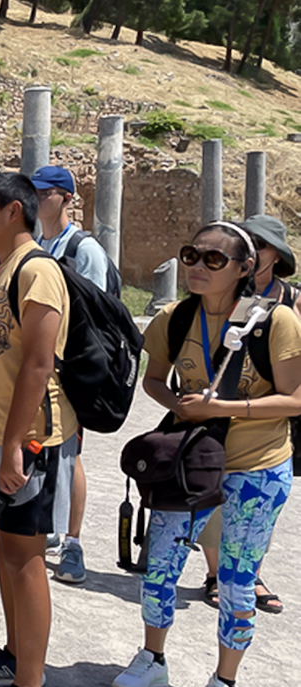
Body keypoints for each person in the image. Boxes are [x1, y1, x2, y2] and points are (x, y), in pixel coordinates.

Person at [112, 221, 300, 687]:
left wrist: (221, 407)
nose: (197, 266)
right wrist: (178, 404)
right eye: (191, 255)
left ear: (244, 268)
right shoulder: (173, 317)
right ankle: (152, 660)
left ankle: (224, 679)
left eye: (214, 259)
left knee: (237, 581)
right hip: (191, 462)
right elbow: (153, 379)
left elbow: (296, 398)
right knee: (160, 566)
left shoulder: (275, 320)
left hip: (258, 466)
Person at [0, 172, 77, 687]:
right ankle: (13, 653)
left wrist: (10, 447)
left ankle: (31, 677)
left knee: (26, 557)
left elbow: (37, 365)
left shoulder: (38, 270)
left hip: (30, 440)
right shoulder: (1, 270)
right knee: (4, 550)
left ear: (13, 212)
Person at [196, 214, 299, 612]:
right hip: (216, 420)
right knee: (213, 498)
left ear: (277, 256)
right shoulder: (218, 296)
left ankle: (249, 573)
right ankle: (213, 573)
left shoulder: (291, 301)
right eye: (249, 242)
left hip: (267, 424)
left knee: (258, 510)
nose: (255, 251)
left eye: (263, 244)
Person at [32, 165, 105, 585]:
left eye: (47, 192)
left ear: (67, 198)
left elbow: (91, 316)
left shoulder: (83, 249)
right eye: (36, 192)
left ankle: (73, 541)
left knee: (71, 454)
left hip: (70, 369)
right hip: (42, 367)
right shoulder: (40, 242)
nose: (39, 198)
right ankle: (46, 533)